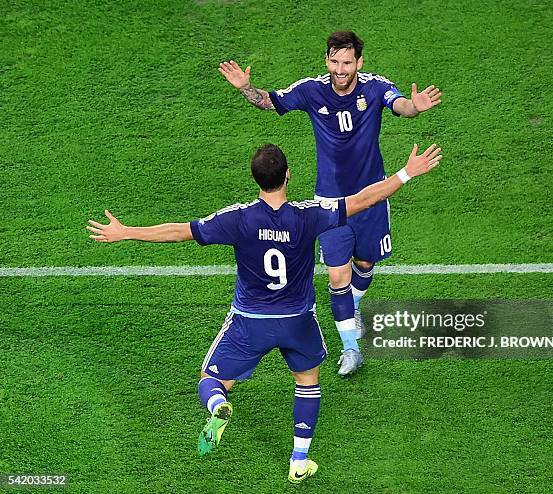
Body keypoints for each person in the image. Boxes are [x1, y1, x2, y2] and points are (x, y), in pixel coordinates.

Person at [86, 142, 442, 483]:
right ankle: (298, 462)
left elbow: (179, 232)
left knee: (211, 380)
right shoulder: (309, 216)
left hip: (250, 322)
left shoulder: (237, 219)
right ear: (288, 175)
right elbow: (364, 200)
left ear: (256, 179)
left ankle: (218, 407)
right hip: (298, 321)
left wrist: (125, 232)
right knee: (307, 383)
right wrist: (407, 173)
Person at [219, 30, 442, 376]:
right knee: (338, 275)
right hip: (331, 201)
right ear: (327, 60)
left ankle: (352, 307)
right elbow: (268, 101)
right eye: (335, 61)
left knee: (365, 263)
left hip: (373, 196)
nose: (341, 69)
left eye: (347, 62)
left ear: (359, 62)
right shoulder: (311, 90)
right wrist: (245, 87)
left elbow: (400, 105)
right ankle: (351, 349)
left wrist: (415, 107)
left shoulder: (375, 86)